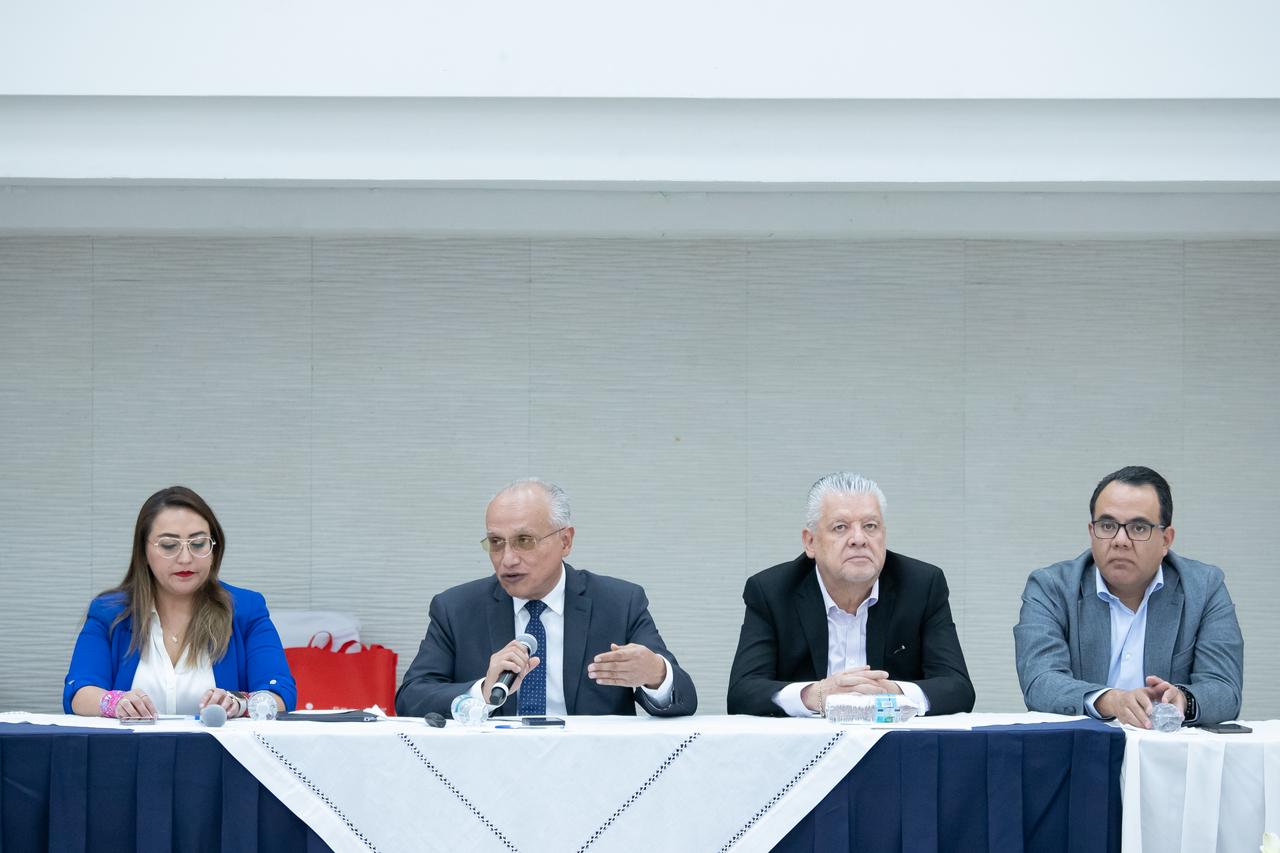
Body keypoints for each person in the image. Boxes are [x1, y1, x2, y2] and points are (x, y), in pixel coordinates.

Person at [396, 478, 697, 718]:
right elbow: (411, 697)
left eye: (524, 541)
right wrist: (482, 692)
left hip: (593, 764)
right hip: (491, 762)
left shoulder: (620, 603)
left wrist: (656, 674)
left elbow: (684, 699)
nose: (508, 559)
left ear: (565, 541)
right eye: (496, 542)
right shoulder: (456, 609)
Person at [727, 472, 974, 717]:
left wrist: (892, 694)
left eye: (870, 526)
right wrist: (815, 694)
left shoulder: (921, 586)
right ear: (810, 542)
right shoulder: (772, 592)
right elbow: (742, 694)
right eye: (840, 527)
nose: (858, 539)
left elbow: (958, 689)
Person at [1014, 466, 1243, 727]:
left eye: (1138, 528)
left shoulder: (1204, 588)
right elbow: (1040, 682)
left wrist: (1183, 699)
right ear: (1092, 532)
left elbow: (1225, 689)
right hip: (1084, 747)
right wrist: (1110, 701)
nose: (1120, 540)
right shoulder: (1051, 587)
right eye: (1107, 525)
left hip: (1167, 747)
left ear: (1166, 539)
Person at [64, 486, 296, 719]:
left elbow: (281, 694)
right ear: (143, 552)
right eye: (168, 545)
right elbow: (79, 693)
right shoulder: (109, 612)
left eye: (198, 544)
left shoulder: (246, 608)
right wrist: (116, 703)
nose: (185, 558)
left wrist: (239, 702)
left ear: (214, 549)